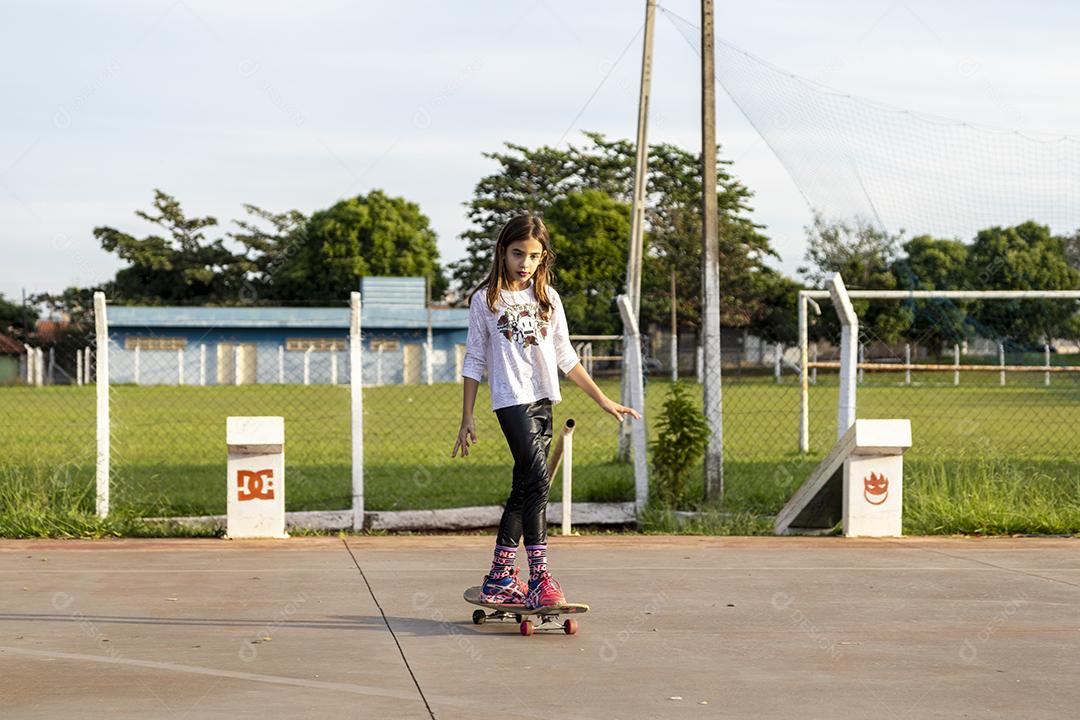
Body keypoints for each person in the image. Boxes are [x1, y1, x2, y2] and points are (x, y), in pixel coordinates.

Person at [451, 214, 642, 609]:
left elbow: (565, 357)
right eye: (517, 253)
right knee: (538, 479)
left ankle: (500, 578)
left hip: (543, 399)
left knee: (526, 486)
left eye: (533, 256)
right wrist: (466, 416)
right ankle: (539, 577)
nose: (524, 262)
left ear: (543, 258)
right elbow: (473, 360)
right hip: (510, 399)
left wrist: (603, 400)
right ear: (502, 252)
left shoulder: (548, 299)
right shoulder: (485, 299)